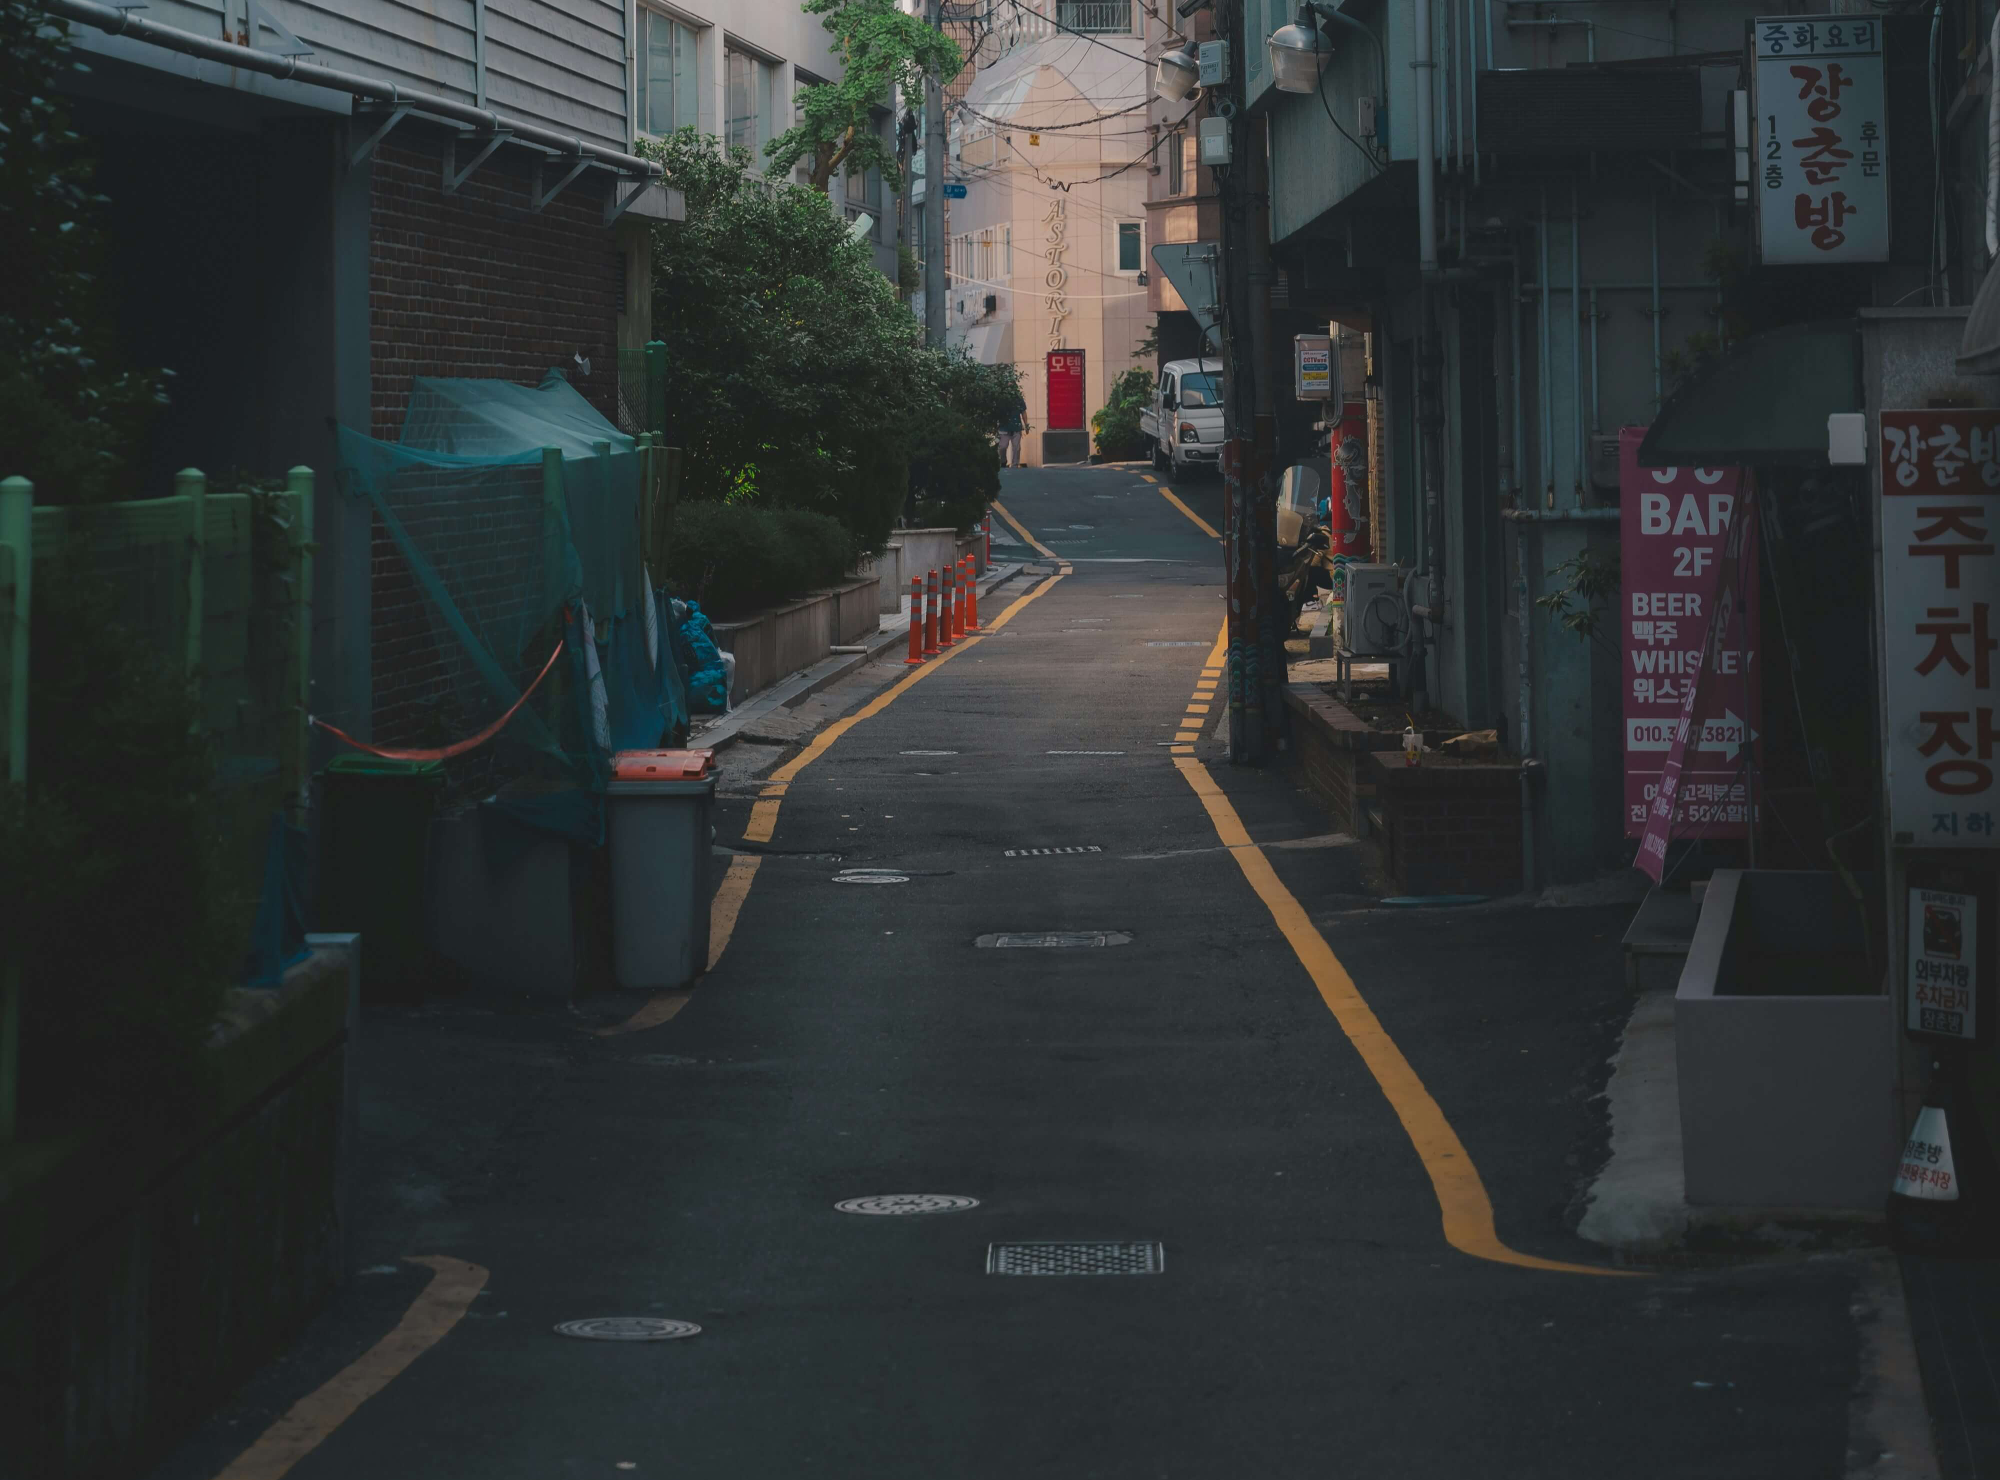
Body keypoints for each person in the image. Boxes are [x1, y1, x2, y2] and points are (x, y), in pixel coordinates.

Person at [996, 391, 1028, 468]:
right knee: (1002, 447)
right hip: (1003, 427)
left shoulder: (1018, 399)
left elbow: (1023, 412)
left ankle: (1015, 465)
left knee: (1016, 448)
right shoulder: (1000, 398)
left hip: (1016, 427)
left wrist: (1026, 425)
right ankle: (1003, 461)